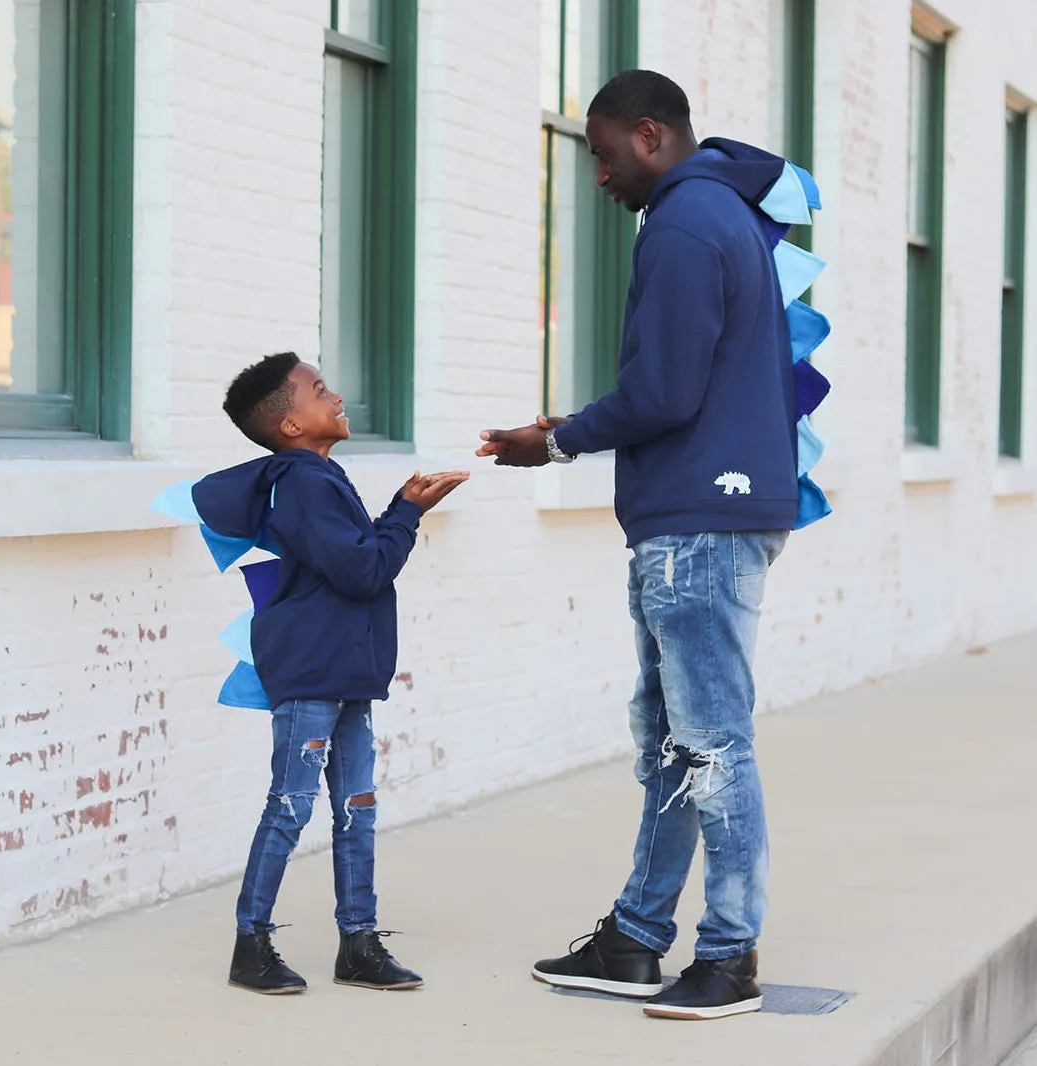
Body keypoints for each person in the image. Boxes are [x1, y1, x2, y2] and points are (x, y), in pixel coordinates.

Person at [476, 69, 822, 1020]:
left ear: (647, 135)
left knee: (710, 745)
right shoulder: (726, 215)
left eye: (598, 155)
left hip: (698, 522)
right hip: (715, 510)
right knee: (678, 745)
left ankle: (729, 955)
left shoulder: (679, 223)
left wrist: (553, 440)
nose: (598, 177)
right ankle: (634, 938)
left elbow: (663, 391)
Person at [192, 351, 468, 994]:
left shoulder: (318, 475)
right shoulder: (305, 482)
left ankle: (359, 945)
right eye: (319, 390)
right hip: (315, 671)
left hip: (341, 669)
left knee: (356, 807)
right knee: (292, 806)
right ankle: (250, 947)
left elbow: (348, 561)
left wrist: (397, 513)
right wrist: (405, 513)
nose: (336, 396)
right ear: (290, 425)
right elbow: (364, 571)